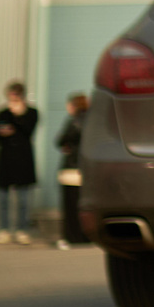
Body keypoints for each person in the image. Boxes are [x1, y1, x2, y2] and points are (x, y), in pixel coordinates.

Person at [0, 82, 40, 245]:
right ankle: (4, 229)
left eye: (16, 95)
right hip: (5, 161)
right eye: (11, 96)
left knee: (24, 200)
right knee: (3, 199)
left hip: (23, 161)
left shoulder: (32, 113)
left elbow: (28, 132)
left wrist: (18, 117)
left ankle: (22, 230)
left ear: (22, 96)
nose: (13, 99)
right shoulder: (1, 113)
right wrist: (2, 131)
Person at [54, 93, 90, 248]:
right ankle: (85, 237)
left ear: (73, 105)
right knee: (84, 206)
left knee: (69, 206)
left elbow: (60, 140)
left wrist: (67, 146)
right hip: (87, 169)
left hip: (71, 170)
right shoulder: (93, 121)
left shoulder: (74, 121)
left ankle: (71, 238)